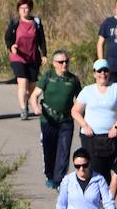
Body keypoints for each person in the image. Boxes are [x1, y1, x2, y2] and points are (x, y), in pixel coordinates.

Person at [72, 60, 117, 181]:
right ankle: (95, 196)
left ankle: (106, 197)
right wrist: (84, 125)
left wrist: (116, 127)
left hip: (111, 136)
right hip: (91, 136)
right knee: (94, 168)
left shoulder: (116, 88)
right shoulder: (88, 90)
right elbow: (75, 111)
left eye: (105, 70)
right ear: (94, 74)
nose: (102, 74)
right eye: (99, 71)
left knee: (107, 168)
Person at [32, 51, 82, 189]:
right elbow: (34, 95)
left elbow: (81, 100)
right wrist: (36, 107)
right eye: (61, 62)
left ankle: (59, 180)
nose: (64, 64)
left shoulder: (73, 80)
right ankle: (49, 175)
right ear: (54, 64)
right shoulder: (47, 77)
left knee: (64, 150)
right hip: (48, 120)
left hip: (66, 121)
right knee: (49, 150)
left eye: (66, 61)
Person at [6, 0, 48, 120]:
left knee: (32, 86)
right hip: (17, 56)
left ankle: (29, 100)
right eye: (21, 8)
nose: (24, 10)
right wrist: (11, 46)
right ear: (18, 10)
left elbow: (41, 40)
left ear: (30, 9)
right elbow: (8, 37)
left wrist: (44, 54)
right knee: (22, 82)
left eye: (26, 8)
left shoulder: (36, 22)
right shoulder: (15, 22)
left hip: (33, 57)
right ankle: (23, 109)